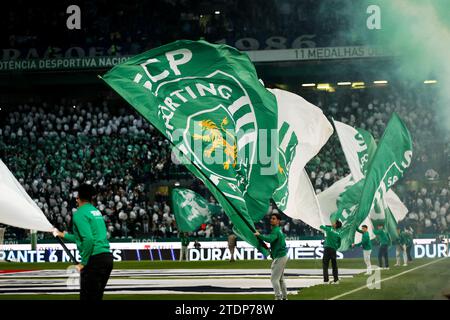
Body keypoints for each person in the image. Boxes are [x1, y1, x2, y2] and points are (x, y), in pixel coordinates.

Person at [53, 183, 113, 301]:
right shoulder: (96, 212)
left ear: (78, 198)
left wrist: (83, 263)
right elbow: (81, 237)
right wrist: (62, 234)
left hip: (93, 259)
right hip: (106, 258)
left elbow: (88, 239)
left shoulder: (79, 213)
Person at [254, 213, 288, 300]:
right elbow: (278, 242)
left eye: (273, 218)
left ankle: (278, 298)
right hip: (282, 255)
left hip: (280, 256)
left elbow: (270, 239)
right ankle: (284, 297)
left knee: (274, 279)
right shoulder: (278, 230)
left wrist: (259, 235)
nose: (271, 220)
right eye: (271, 218)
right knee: (280, 279)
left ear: (278, 221)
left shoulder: (276, 230)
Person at [320, 220, 342, 284]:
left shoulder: (329, 229)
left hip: (327, 249)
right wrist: (335, 247)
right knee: (334, 266)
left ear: (336, 225)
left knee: (325, 265)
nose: (333, 223)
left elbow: (321, 226)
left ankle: (326, 281)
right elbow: (339, 244)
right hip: (333, 250)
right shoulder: (338, 234)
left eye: (334, 223)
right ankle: (336, 280)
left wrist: (326, 225)